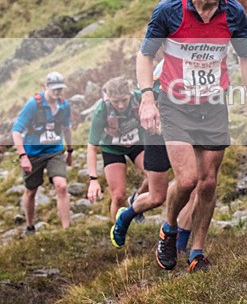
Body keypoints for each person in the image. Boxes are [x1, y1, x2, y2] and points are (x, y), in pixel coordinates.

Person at [137, 0, 247, 273]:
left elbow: (246, 57)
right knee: (187, 180)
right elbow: (145, 55)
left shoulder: (233, 13)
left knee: (208, 183)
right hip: (175, 104)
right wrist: (147, 99)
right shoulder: (169, 10)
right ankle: (168, 229)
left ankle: (197, 251)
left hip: (212, 104)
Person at [108, 62, 196, 251]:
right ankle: (126, 216)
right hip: (158, 135)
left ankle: (179, 246)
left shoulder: (203, 62)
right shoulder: (164, 66)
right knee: (157, 197)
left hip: (188, 132)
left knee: (193, 186)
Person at [11, 72, 74, 232]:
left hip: (55, 151)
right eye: (54, 89)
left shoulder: (64, 105)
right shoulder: (33, 104)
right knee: (31, 191)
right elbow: (16, 131)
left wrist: (69, 150)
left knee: (61, 186)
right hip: (33, 153)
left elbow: (66, 128)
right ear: (46, 86)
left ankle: (67, 230)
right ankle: (30, 225)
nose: (57, 92)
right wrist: (23, 156)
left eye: (60, 89)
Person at [85, 76, 148, 222]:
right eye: (115, 101)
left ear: (130, 94)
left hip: (137, 145)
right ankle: (117, 228)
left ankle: (136, 202)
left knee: (155, 178)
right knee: (119, 196)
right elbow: (92, 147)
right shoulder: (102, 109)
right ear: (109, 98)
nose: (120, 105)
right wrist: (93, 179)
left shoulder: (140, 98)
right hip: (112, 149)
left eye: (124, 100)